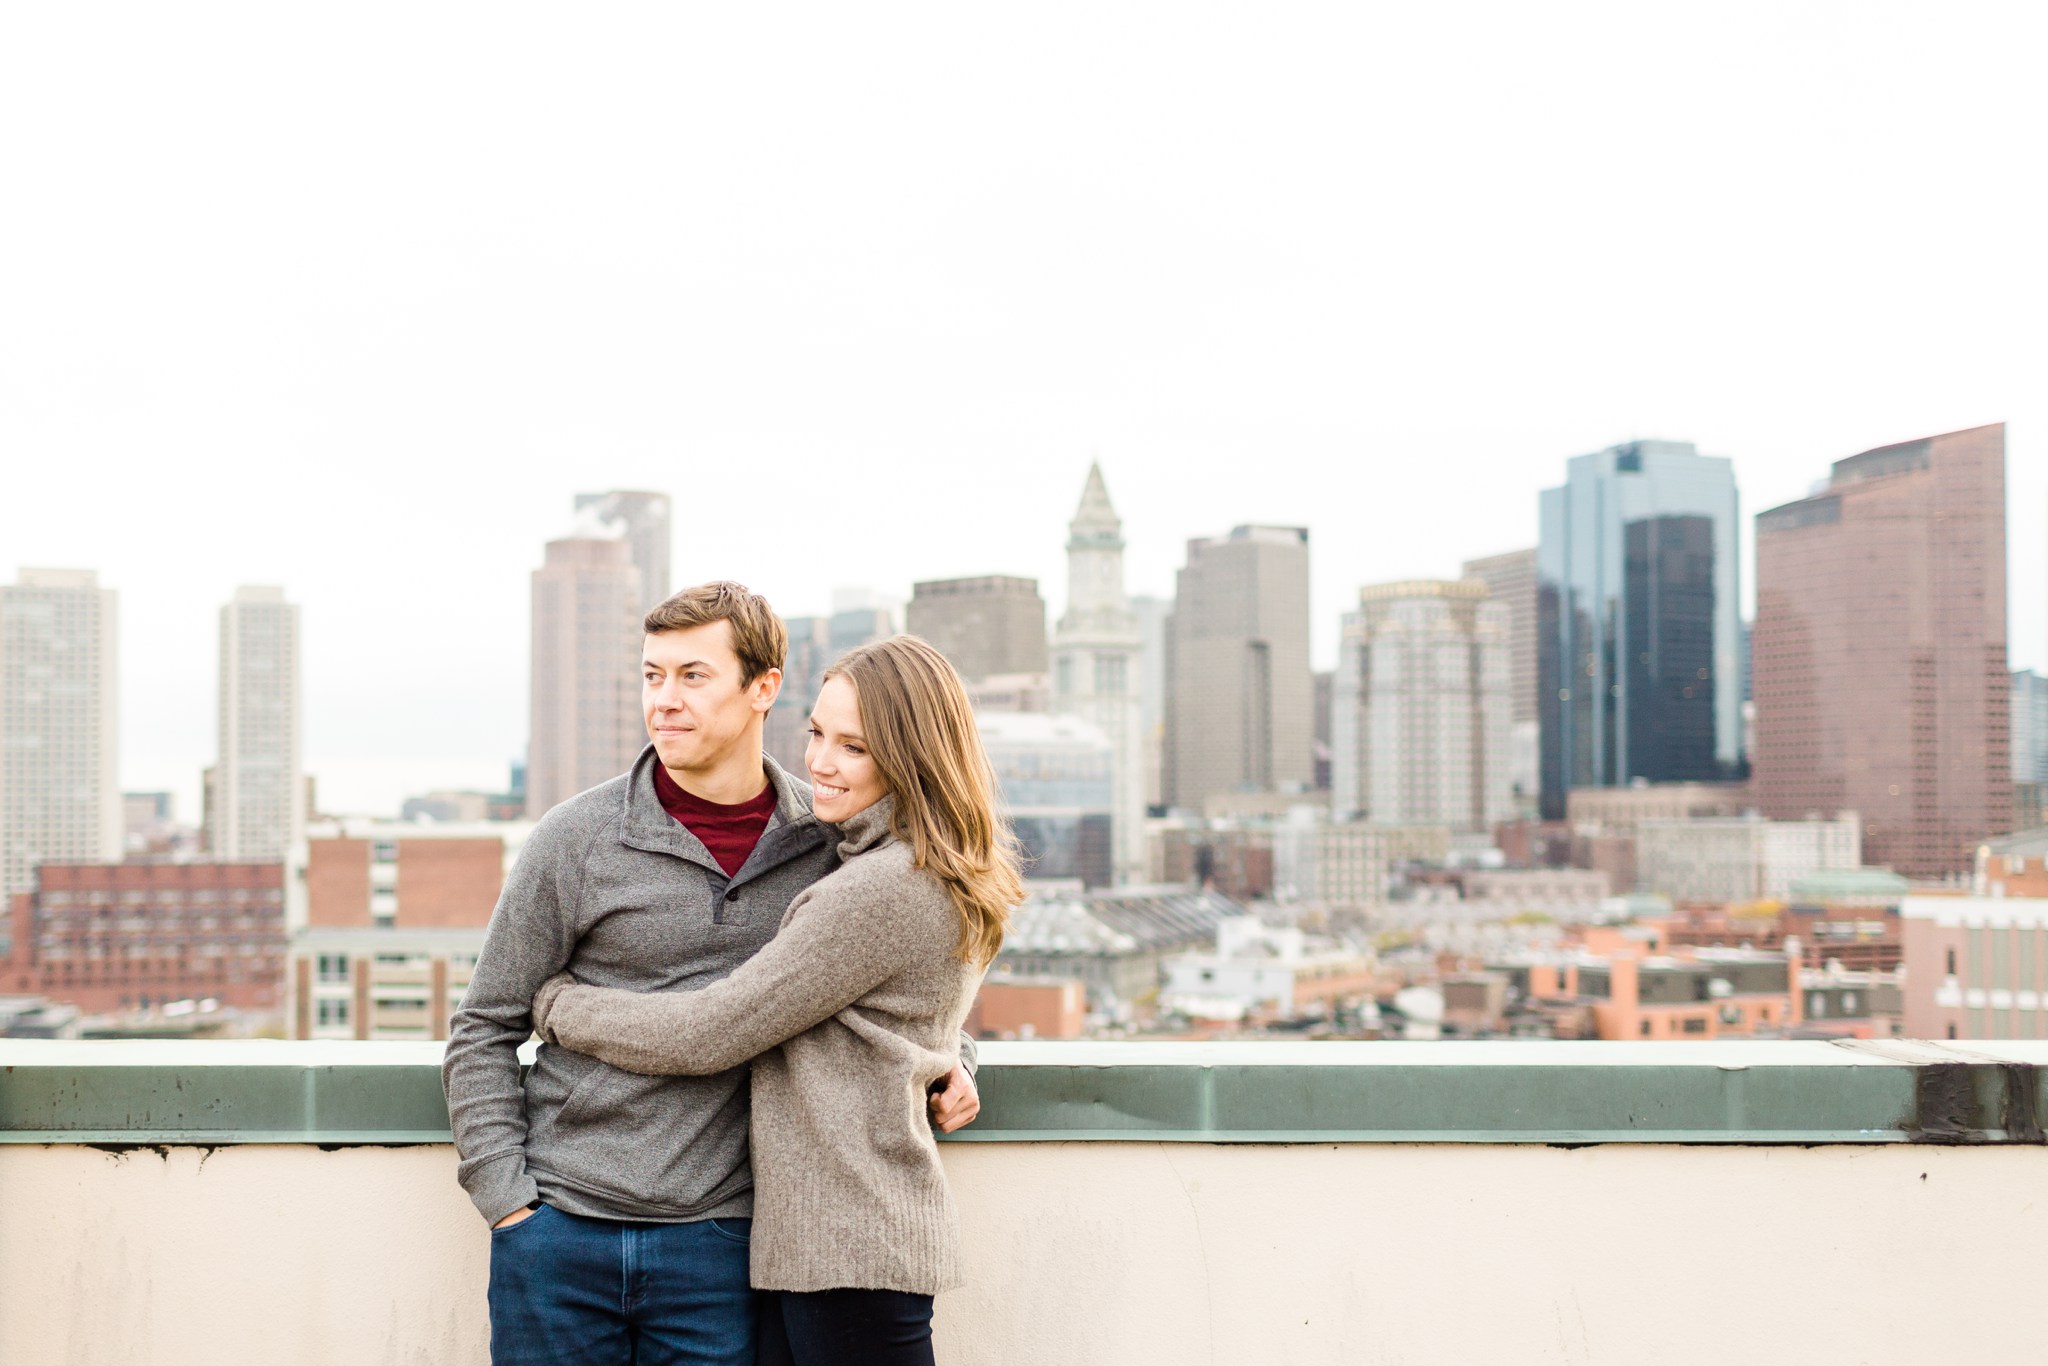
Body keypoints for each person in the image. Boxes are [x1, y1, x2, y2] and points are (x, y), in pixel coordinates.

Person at [441, 584, 980, 1366]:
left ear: (763, 688)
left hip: (723, 1244)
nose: (664, 700)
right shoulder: (575, 839)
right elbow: (484, 1025)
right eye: (652, 675)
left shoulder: (828, 845)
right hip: (559, 1233)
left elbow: (893, 988)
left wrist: (955, 1057)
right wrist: (508, 1204)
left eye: (693, 676)